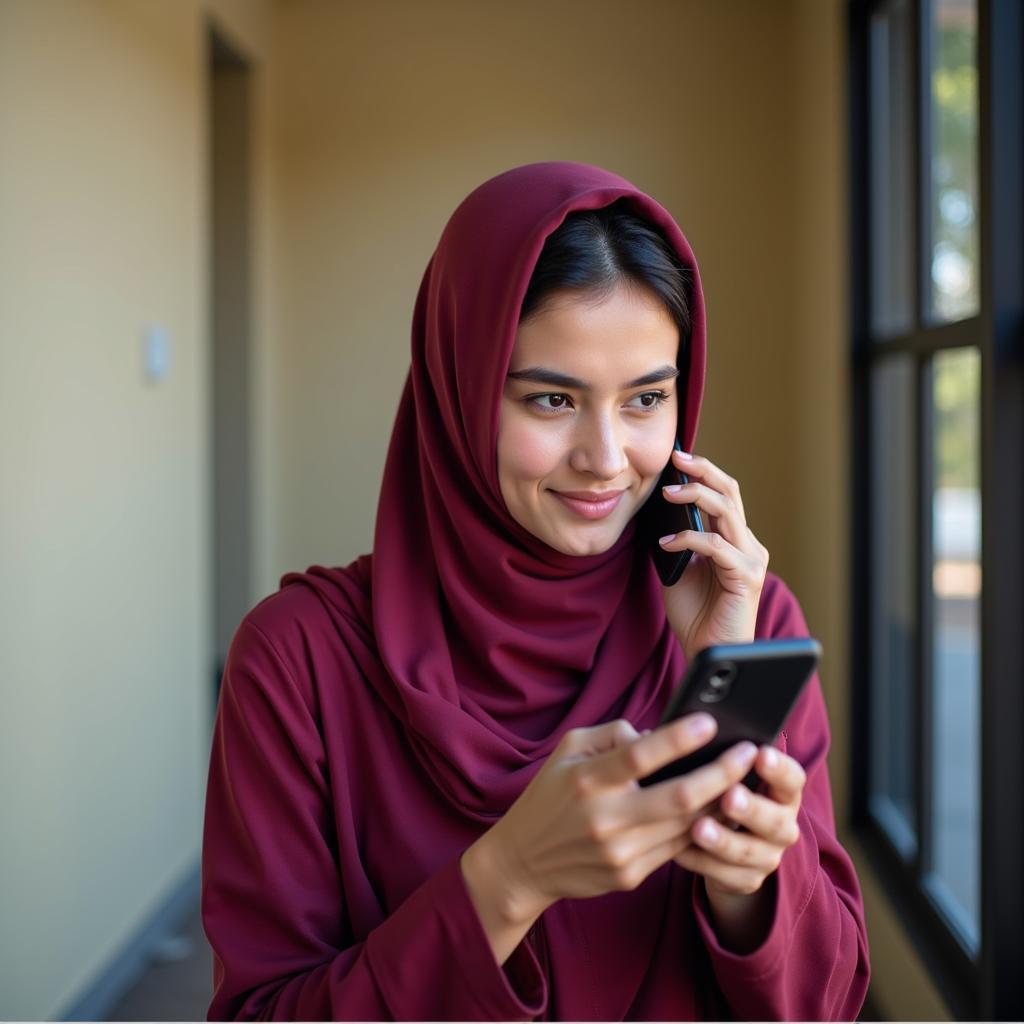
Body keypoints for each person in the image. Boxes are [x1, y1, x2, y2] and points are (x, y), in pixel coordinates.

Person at [201, 161, 870, 1020]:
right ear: (459, 389)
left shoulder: (748, 621)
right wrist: (509, 879)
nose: (605, 458)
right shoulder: (301, 660)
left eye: (646, 399)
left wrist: (747, 869)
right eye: (552, 399)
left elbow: (827, 1004)